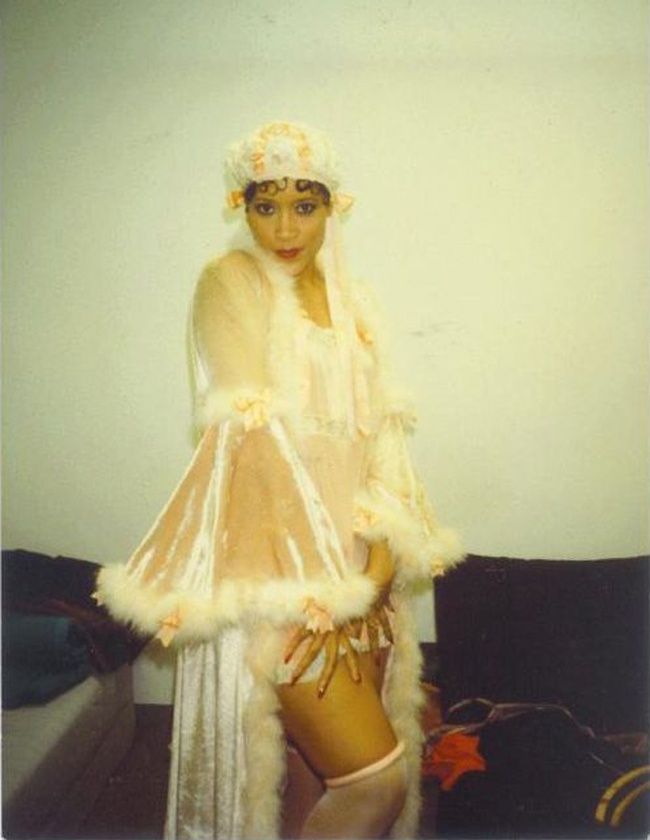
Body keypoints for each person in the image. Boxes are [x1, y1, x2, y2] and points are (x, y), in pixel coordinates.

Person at [95, 121, 464, 840]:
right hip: (281, 572)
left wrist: (378, 566)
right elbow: (252, 444)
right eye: (267, 206)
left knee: (314, 779)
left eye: (305, 205)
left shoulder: (357, 302)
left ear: (333, 206)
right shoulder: (229, 282)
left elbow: (383, 446)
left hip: (361, 569)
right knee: (374, 783)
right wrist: (330, 591)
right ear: (242, 205)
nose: (286, 228)